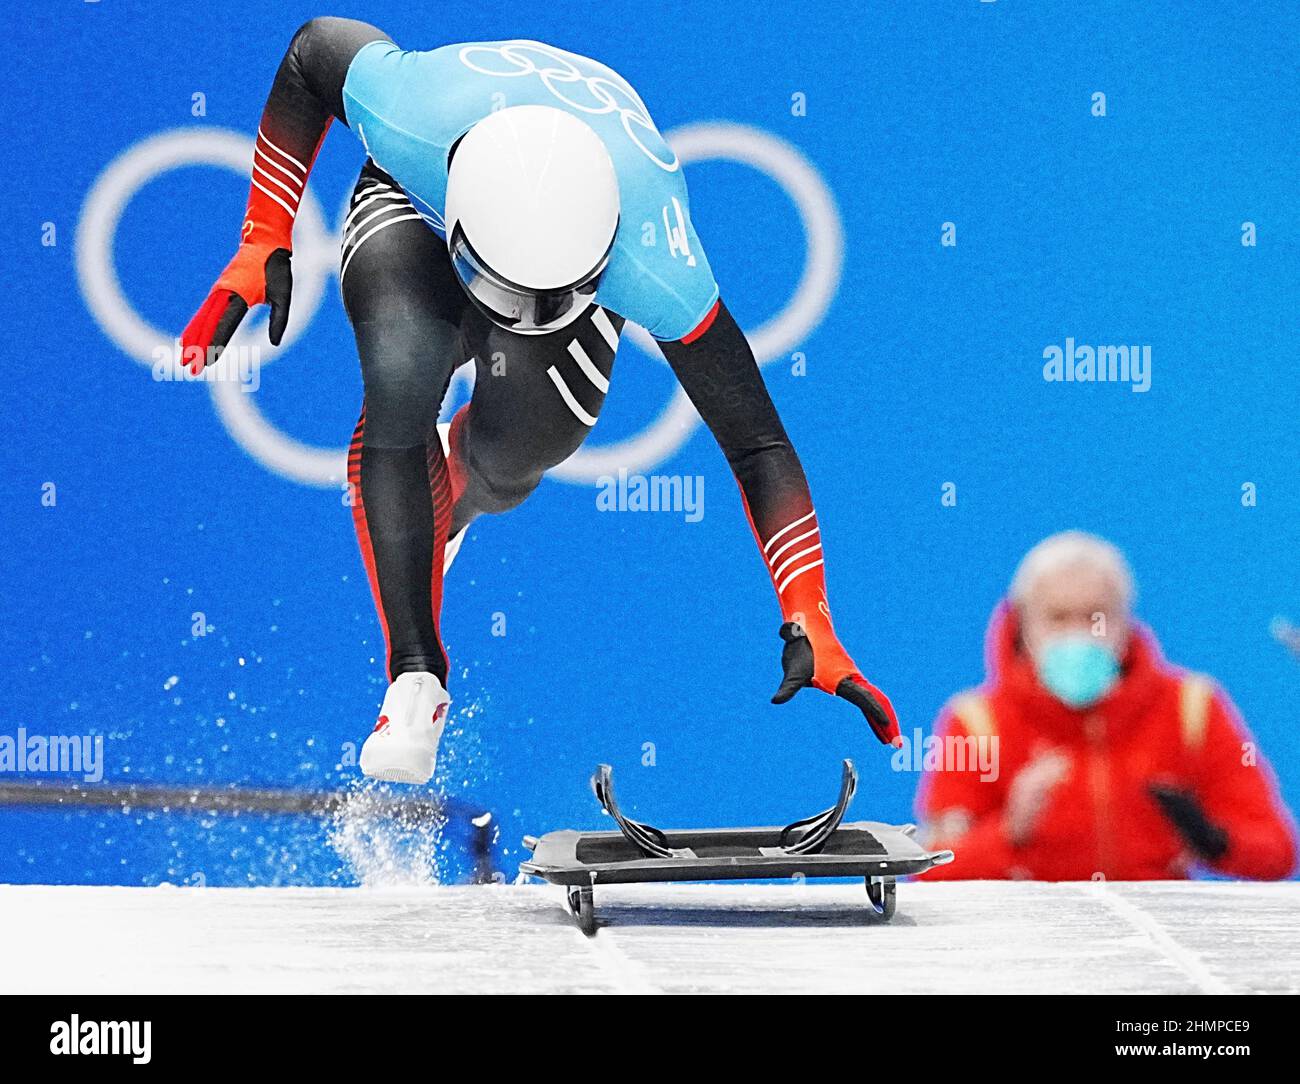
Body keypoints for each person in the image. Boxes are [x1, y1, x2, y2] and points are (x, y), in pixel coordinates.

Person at [180, 18, 900, 784]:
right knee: (402, 373)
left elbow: (757, 444)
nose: (515, 320)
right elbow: (310, 51)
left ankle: (449, 497)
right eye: (508, 298)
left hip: (564, 204)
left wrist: (809, 611)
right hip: (413, 202)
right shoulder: (409, 111)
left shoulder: (656, 260)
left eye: (547, 302)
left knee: (523, 454)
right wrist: (263, 234)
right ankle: (415, 678)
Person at [917, 531, 1296, 880]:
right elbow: (928, 870)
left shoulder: (1191, 707)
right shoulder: (976, 723)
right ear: (1023, 624)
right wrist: (1008, 831)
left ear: (1125, 620)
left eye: (1095, 616)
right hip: (1031, 941)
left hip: (1155, 938)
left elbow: (1278, 853)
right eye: (1058, 617)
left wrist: (1211, 838)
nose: (1079, 633)